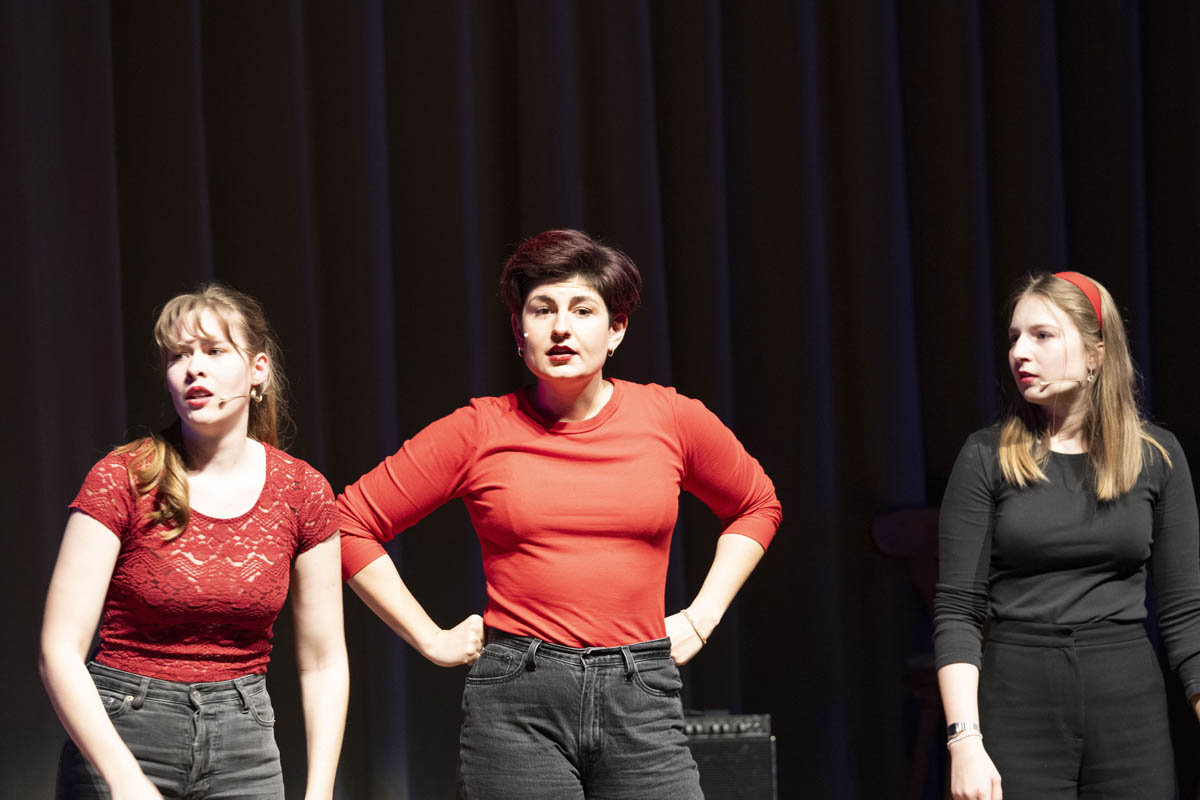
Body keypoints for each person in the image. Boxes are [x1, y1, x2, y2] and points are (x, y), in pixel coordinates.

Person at [337, 228, 782, 799]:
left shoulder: (670, 418)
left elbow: (756, 504)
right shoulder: (480, 429)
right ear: (519, 331)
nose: (561, 327)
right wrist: (430, 638)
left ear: (616, 329)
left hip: (640, 692)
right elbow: (346, 522)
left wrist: (703, 616)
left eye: (583, 310)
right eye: (542, 309)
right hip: (518, 701)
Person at [40, 285, 348, 800]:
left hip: (243, 745)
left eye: (213, 351)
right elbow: (59, 649)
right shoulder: (123, 477)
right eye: (178, 356)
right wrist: (124, 778)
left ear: (258, 369)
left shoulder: (302, 491)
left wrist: (319, 793)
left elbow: (324, 662)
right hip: (125, 730)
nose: (193, 369)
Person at [934, 271, 1200, 799]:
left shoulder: (1156, 457)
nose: (1020, 353)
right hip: (1018, 701)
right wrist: (964, 742)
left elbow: (1187, 615)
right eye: (1014, 337)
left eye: (1042, 335)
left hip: (1128, 707)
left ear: (1096, 355)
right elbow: (958, 610)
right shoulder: (986, 456)